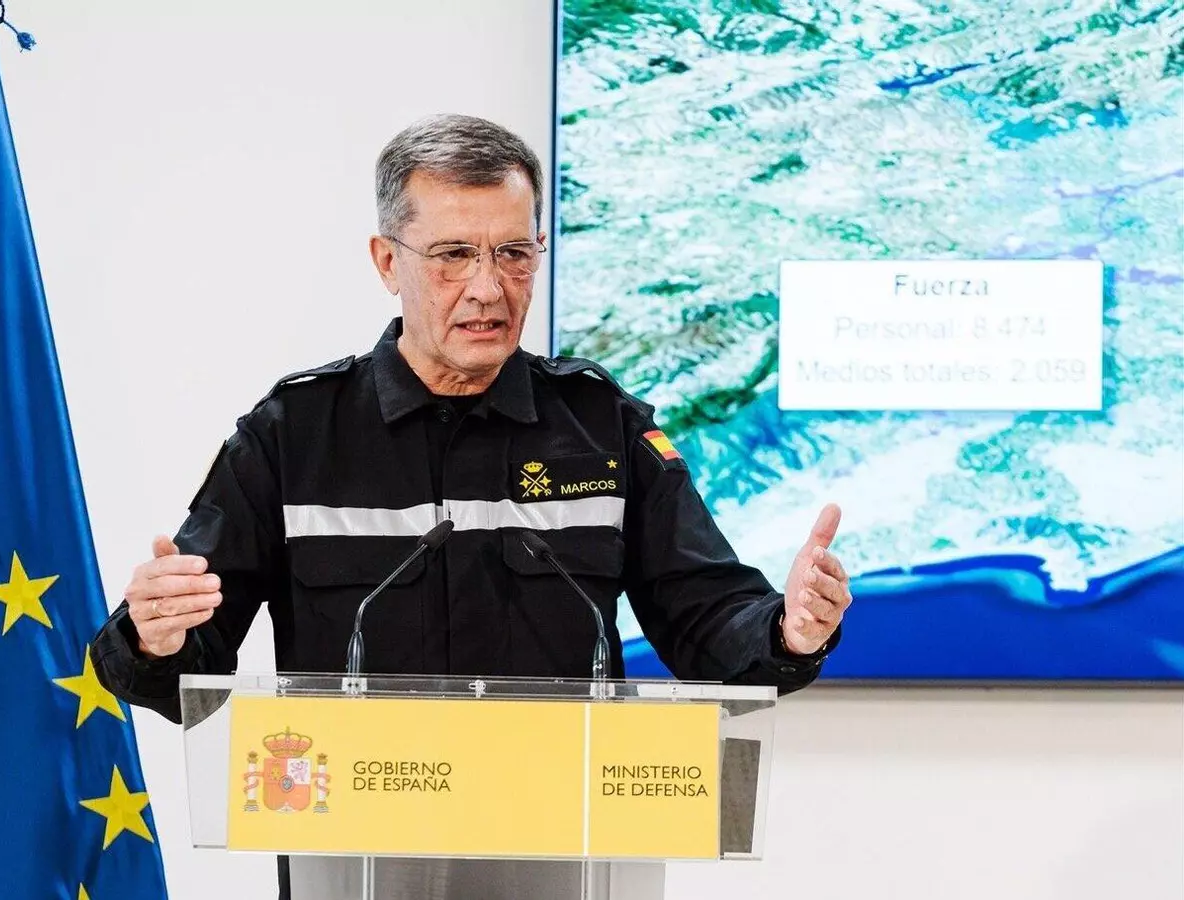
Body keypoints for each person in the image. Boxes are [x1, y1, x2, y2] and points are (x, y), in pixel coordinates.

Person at [90, 114, 850, 726]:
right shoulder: (293, 435)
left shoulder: (603, 426)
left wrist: (789, 631)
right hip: (354, 833)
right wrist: (156, 638)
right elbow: (185, 662)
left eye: (514, 253)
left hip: (563, 832)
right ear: (387, 262)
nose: (488, 288)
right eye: (453, 254)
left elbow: (707, 622)